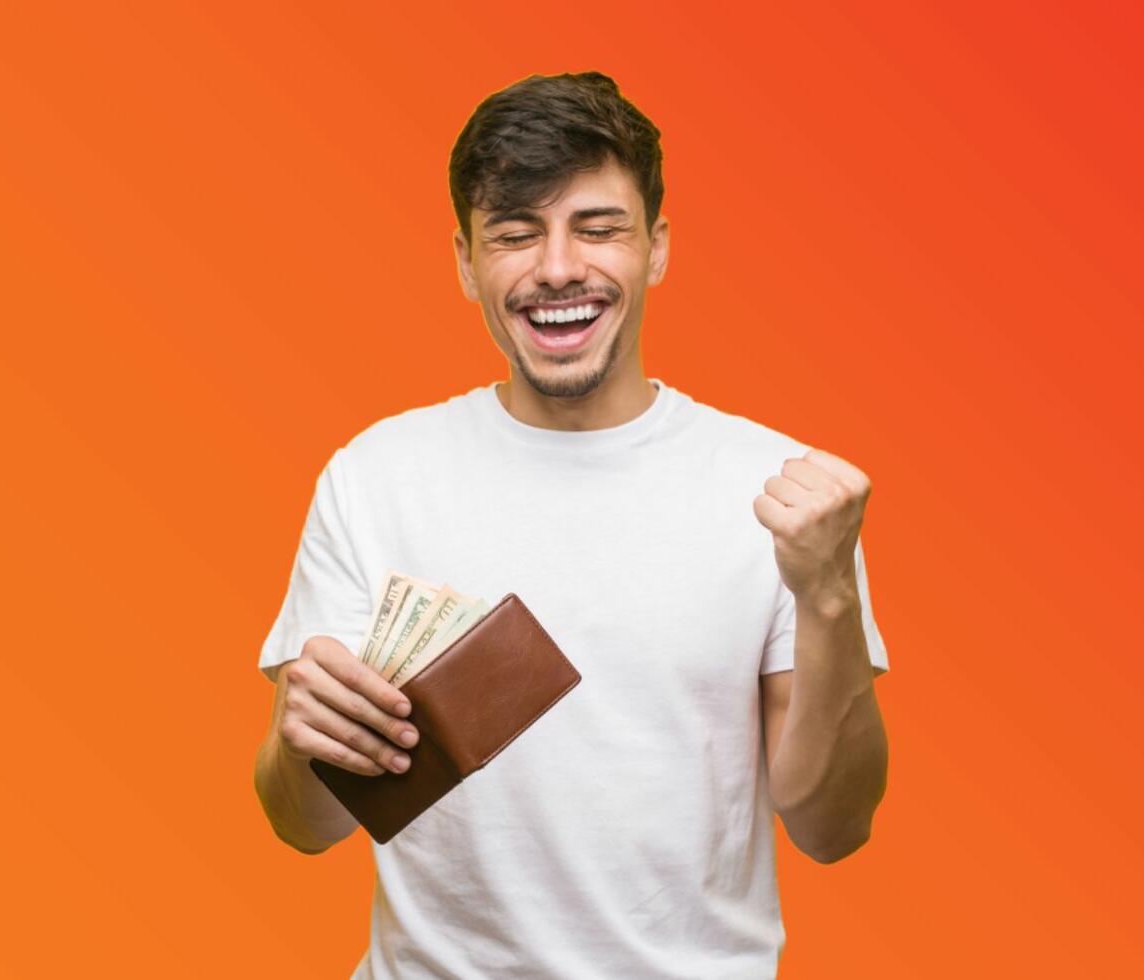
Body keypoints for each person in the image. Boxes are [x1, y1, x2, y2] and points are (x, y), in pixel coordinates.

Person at [253, 70, 890, 980]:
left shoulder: (778, 492)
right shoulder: (374, 478)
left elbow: (833, 828)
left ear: (657, 248)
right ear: (466, 263)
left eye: (597, 229)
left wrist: (828, 598)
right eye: (515, 235)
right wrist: (297, 741)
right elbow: (302, 823)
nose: (557, 268)